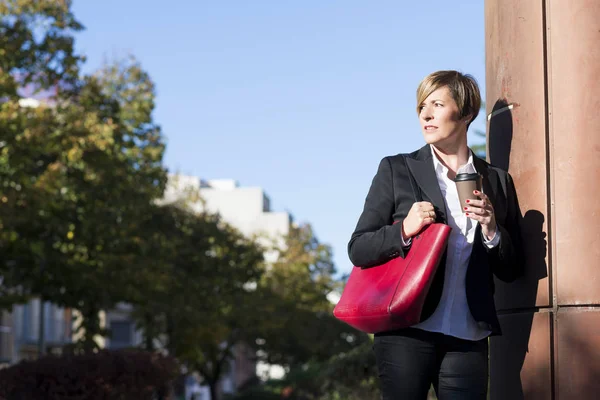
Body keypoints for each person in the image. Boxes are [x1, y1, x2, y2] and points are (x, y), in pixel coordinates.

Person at [347, 70, 524, 400]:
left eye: (437, 105)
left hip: (467, 336)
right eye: (421, 107)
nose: (425, 115)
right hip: (406, 330)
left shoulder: (497, 181)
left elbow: (512, 270)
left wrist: (491, 231)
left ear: (467, 112)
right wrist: (403, 230)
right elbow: (358, 248)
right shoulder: (397, 169)